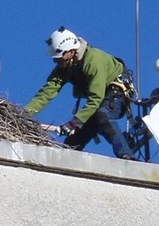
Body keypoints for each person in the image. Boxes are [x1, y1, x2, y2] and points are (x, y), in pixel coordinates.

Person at [25, 27, 136, 160]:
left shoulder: (93, 61)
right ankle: (65, 162)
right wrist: (25, 114)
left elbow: (96, 99)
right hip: (99, 100)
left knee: (102, 116)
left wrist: (74, 123)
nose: (56, 61)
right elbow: (47, 93)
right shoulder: (64, 67)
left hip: (117, 95)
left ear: (71, 52)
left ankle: (126, 155)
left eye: (59, 57)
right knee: (74, 139)